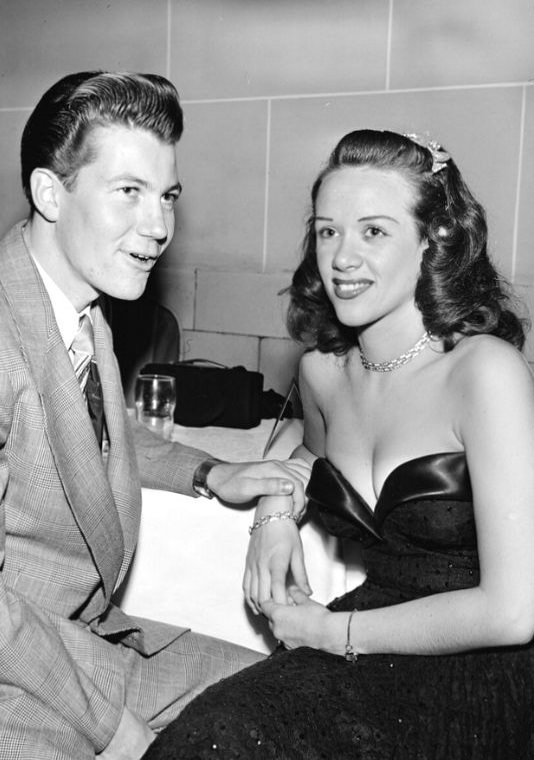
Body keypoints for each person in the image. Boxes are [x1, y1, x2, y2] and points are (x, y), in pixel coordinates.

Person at [142, 129, 534, 759]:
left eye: (373, 231)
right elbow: (309, 458)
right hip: (370, 636)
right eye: (329, 231)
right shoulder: (322, 372)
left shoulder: (485, 372)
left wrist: (333, 632)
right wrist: (274, 517)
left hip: (487, 667)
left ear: (432, 242)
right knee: (206, 738)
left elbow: (512, 611)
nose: (343, 258)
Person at [0, 70, 310, 760]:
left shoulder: (79, 304)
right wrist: (114, 729)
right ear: (51, 192)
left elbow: (91, 436)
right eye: (129, 193)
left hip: (90, 643)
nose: (160, 226)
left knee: (300, 701)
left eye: (166, 196)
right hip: (15, 677)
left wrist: (208, 473)